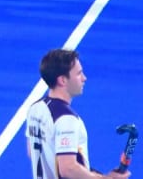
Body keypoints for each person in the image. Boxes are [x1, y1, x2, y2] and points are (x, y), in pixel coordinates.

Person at [25, 49, 131, 179]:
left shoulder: (35, 108)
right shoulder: (66, 119)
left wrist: (97, 175)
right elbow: (68, 169)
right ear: (63, 80)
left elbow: (33, 151)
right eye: (79, 74)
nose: (84, 78)